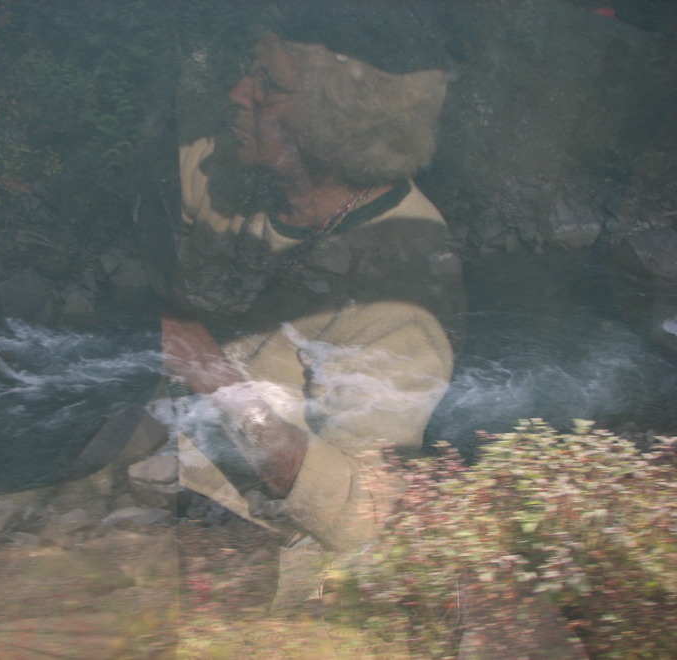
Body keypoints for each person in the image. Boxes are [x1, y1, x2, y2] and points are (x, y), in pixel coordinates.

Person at [154, 3, 465, 575]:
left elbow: (363, 511)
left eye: (268, 86)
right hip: (164, 487)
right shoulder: (232, 170)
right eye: (250, 73)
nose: (238, 93)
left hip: (255, 560)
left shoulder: (403, 282)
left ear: (337, 119)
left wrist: (211, 373)